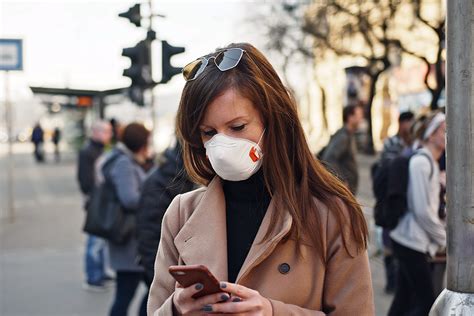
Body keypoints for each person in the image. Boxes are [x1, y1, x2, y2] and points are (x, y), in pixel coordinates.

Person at [147, 43, 374, 315]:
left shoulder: (332, 214)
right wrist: (175, 308)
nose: (222, 144)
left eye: (237, 127)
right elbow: (155, 309)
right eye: (209, 132)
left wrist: (272, 312)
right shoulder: (181, 213)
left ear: (273, 120)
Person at [388, 112, 447, 316]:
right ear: (430, 135)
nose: (447, 133)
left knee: (403, 301)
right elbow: (422, 211)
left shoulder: (430, 162)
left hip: (412, 241)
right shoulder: (421, 163)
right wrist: (444, 239)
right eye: (442, 130)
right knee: (427, 303)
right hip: (410, 242)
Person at [101, 122, 152, 316]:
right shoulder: (124, 163)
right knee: (124, 296)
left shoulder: (128, 160)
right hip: (128, 243)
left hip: (131, 242)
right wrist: (153, 201)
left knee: (145, 291)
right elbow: (129, 199)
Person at [136, 142, 195, 287]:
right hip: (166, 272)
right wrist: (158, 276)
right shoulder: (162, 181)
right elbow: (149, 231)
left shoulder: (188, 176)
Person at [377, 111, 415, 293]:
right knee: (388, 244)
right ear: (400, 124)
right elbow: (387, 168)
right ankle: (391, 281)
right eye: (407, 123)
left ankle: (398, 282)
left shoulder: (414, 146)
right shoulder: (392, 144)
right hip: (389, 197)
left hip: (403, 201)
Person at [77, 121, 113, 291]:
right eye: (106, 131)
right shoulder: (87, 152)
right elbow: (85, 180)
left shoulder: (97, 150)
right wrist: (95, 195)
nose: (109, 135)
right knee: (95, 241)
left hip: (99, 201)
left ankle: (101, 272)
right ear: (96, 132)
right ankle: (93, 277)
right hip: (95, 203)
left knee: (100, 240)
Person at [320, 103, 364, 194]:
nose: (361, 119)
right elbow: (329, 158)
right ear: (350, 117)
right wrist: (341, 180)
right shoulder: (343, 137)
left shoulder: (349, 135)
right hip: (342, 191)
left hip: (346, 191)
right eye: (358, 116)